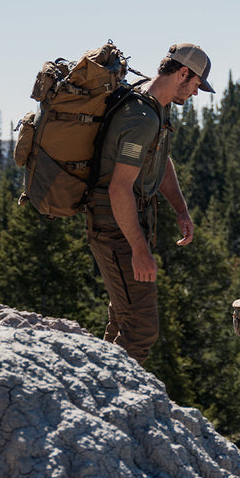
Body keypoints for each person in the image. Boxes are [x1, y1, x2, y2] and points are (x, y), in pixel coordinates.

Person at [85, 43, 213, 364]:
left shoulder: (155, 102)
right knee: (140, 328)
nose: (196, 93)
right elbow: (119, 189)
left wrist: (180, 209)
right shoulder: (141, 117)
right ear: (183, 73)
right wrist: (140, 251)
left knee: (124, 318)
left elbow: (160, 155)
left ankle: (101, 386)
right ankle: (114, 401)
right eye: (197, 84)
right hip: (116, 226)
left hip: (124, 223)